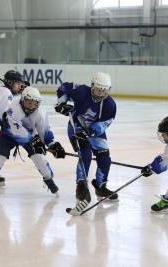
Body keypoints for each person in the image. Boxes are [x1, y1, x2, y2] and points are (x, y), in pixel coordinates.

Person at [0, 86, 66, 195]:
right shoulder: (13, 108)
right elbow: (16, 130)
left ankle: (50, 181)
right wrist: (33, 141)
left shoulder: (41, 113)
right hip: (8, 136)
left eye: (34, 103)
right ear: (22, 100)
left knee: (39, 159)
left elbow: (45, 132)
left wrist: (53, 145)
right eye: (28, 102)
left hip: (30, 137)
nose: (31, 106)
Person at [55, 72, 117, 215]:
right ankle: (81, 186)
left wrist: (89, 133)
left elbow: (102, 125)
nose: (101, 93)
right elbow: (63, 87)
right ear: (92, 86)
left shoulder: (110, 105)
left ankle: (100, 186)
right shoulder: (82, 91)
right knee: (86, 155)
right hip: (75, 127)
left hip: (94, 132)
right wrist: (61, 104)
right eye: (98, 89)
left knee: (105, 159)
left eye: (104, 90)